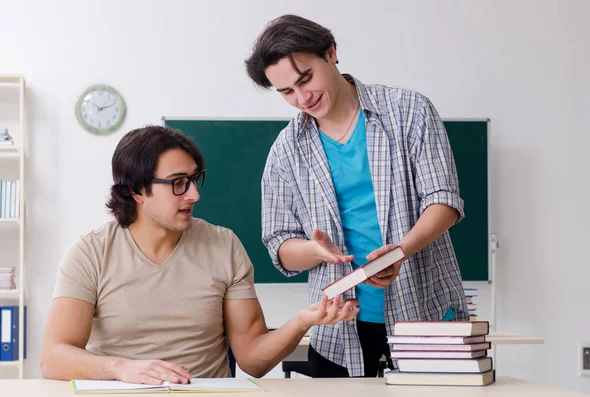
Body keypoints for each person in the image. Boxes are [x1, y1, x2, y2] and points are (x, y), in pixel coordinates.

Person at [40, 125, 358, 384]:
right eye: (178, 183)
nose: (194, 194)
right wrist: (122, 369)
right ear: (136, 191)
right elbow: (53, 357)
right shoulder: (90, 252)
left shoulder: (223, 245)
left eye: (193, 179)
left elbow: (252, 360)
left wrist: (304, 320)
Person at [245, 14, 469, 378]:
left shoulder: (408, 110)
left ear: (331, 53)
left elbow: (443, 201)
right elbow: (280, 245)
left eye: (306, 79)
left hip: (427, 315)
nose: (303, 97)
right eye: (287, 92)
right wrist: (314, 251)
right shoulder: (285, 151)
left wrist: (400, 251)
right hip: (339, 329)